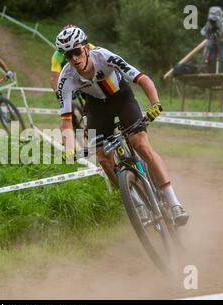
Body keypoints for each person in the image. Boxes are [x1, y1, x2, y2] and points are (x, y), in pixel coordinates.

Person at [55, 27, 189, 226]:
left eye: (76, 51)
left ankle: (174, 201)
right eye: (68, 55)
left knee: (140, 144)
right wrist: (69, 147)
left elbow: (142, 79)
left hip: (121, 98)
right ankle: (135, 202)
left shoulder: (104, 56)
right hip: (97, 108)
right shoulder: (65, 79)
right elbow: (66, 121)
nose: (73, 58)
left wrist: (155, 104)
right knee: (102, 157)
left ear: (85, 48)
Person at [50, 24, 95, 91]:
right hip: (71, 75)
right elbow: (54, 77)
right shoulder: (57, 55)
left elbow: (98, 61)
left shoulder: (88, 46)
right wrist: (58, 93)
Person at [201, 6, 223, 73]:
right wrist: (206, 35)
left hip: (222, 42)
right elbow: (202, 31)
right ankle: (211, 72)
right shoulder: (209, 23)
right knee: (212, 59)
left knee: (222, 59)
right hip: (213, 42)